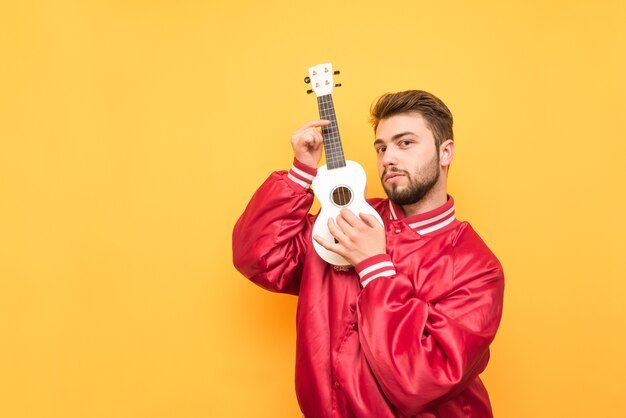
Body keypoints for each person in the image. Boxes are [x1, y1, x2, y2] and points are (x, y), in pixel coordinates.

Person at [232, 90, 505, 417]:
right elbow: (259, 256)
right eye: (381, 147)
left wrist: (373, 266)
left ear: (445, 152)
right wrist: (301, 172)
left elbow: (421, 381)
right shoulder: (347, 219)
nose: (389, 157)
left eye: (405, 143)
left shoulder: (476, 267)